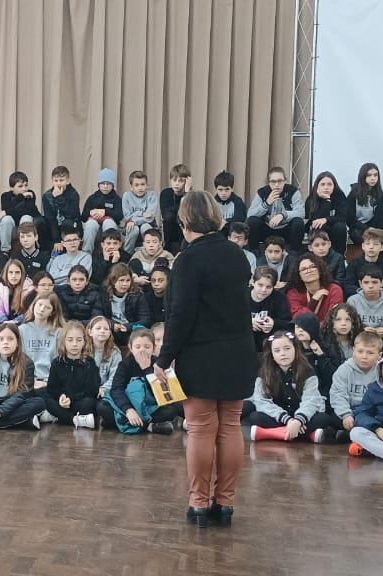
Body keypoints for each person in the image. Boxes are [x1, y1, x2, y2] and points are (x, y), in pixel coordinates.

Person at [150, 189, 256, 529]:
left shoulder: (188, 260)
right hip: (238, 352)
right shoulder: (238, 255)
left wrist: (164, 358)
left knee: (200, 429)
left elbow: (180, 316)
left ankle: (198, 503)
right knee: (230, 427)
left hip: (201, 354)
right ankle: (225, 504)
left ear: (185, 222)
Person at [243, 332, 339, 442]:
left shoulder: (307, 371)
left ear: (295, 349)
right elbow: (262, 401)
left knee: (323, 419)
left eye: (287, 348)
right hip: (279, 416)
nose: (283, 354)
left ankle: (272, 433)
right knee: (255, 417)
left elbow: (310, 400)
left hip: (302, 415)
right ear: (272, 354)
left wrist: (298, 420)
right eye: (277, 351)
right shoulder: (265, 373)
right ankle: (307, 435)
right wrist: (288, 420)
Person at [100, 328, 178, 434]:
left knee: (171, 411)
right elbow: (117, 389)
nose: (142, 350)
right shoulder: (125, 364)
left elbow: (164, 394)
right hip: (129, 404)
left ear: (153, 348)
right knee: (102, 407)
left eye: (147, 347)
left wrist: (147, 370)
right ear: (131, 348)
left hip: (148, 406)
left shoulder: (159, 365)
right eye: (137, 347)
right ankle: (149, 426)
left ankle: (120, 423)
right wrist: (128, 410)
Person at [41, 321, 102, 428]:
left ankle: (57, 416)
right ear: (64, 341)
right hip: (62, 402)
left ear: (84, 342)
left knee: (90, 403)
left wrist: (71, 399)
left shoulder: (89, 363)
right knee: (43, 397)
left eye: (79, 340)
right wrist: (60, 397)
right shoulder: (57, 362)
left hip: (79, 402)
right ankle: (75, 420)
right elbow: (52, 388)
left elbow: (92, 390)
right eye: (70, 340)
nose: (74, 344)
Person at [330, 331, 383, 432]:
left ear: (379, 355)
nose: (364, 356)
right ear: (353, 351)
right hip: (350, 411)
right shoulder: (344, 370)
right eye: (360, 351)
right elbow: (338, 394)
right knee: (334, 419)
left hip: (371, 412)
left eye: (370, 353)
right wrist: (345, 414)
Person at [245, 167, 305, 252]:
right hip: (267, 228)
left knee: (298, 222)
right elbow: (250, 214)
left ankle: (294, 253)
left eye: (280, 181)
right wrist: (266, 203)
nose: (276, 185)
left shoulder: (293, 191)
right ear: (268, 182)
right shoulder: (262, 192)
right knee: (252, 221)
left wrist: (282, 215)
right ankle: (254, 252)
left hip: (286, 228)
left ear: (285, 181)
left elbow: (301, 212)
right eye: (273, 181)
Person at [346, 265, 383, 352]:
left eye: (375, 282)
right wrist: (361, 330)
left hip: (381, 339)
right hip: (360, 337)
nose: (370, 286)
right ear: (360, 284)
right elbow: (348, 327)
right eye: (366, 282)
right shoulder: (352, 301)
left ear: (382, 283)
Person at [287, 253, 344, 325]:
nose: (309, 271)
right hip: (303, 331)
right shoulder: (293, 293)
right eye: (304, 269)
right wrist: (314, 300)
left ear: (320, 270)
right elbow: (298, 319)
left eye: (313, 267)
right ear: (299, 275)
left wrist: (315, 329)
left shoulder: (334, 289)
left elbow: (333, 318)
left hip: (328, 330)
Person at [346, 163, 383, 246]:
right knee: (355, 233)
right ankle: (380, 243)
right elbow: (350, 219)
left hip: (377, 226)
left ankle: (378, 242)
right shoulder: (353, 194)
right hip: (361, 227)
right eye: (369, 175)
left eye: (375, 175)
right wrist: (367, 228)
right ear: (362, 176)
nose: (373, 178)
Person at [0, 171, 47, 253]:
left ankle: (27, 249)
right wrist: (21, 197)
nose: (24, 188)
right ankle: (5, 251)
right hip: (12, 225)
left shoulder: (30, 194)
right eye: (20, 186)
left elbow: (28, 210)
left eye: (26, 185)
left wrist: (7, 211)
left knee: (26, 217)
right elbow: (8, 208)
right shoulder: (5, 196)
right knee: (6, 219)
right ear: (11, 188)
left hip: (28, 222)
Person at [340, 227, 383, 299]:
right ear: (363, 246)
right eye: (367, 244)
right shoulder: (354, 264)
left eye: (376, 244)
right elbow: (348, 285)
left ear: (382, 247)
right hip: (358, 298)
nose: (371, 247)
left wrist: (374, 294)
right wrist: (364, 293)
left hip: (378, 299)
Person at [305, 171, 348, 254]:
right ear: (317, 186)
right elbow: (315, 220)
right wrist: (326, 201)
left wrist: (326, 219)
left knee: (340, 226)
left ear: (334, 186)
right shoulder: (311, 199)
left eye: (329, 184)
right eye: (322, 184)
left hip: (334, 228)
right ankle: (319, 255)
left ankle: (340, 256)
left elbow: (342, 217)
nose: (326, 187)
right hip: (316, 229)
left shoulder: (340, 196)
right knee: (319, 225)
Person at [42, 166, 82, 252]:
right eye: (56, 180)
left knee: (67, 222)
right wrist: (56, 240)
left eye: (61, 180)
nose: (58, 183)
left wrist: (59, 199)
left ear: (68, 181)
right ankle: (44, 251)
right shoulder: (47, 196)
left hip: (70, 226)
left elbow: (72, 216)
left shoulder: (73, 194)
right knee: (40, 221)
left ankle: (67, 248)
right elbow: (50, 218)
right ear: (52, 181)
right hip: (54, 229)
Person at [82, 168, 122, 253]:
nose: (105, 186)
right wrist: (90, 212)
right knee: (90, 224)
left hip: (109, 226)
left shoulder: (116, 199)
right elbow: (83, 217)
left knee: (108, 222)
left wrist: (105, 212)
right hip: (94, 227)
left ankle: (110, 251)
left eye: (108, 184)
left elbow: (120, 215)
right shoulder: (92, 198)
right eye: (103, 183)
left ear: (113, 185)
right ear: (98, 185)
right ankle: (86, 253)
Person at [120, 170, 158, 253]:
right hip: (131, 225)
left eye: (142, 184)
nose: (140, 188)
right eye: (136, 185)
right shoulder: (127, 196)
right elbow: (127, 217)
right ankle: (127, 255)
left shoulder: (152, 195)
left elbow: (149, 218)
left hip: (149, 225)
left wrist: (134, 220)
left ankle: (149, 254)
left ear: (147, 185)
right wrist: (142, 213)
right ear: (131, 187)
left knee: (145, 227)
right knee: (133, 229)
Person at [159, 164, 192, 251]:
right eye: (174, 180)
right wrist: (180, 212)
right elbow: (167, 215)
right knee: (169, 219)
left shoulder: (191, 195)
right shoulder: (166, 193)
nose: (176, 183)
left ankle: (183, 251)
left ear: (186, 182)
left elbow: (189, 215)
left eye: (181, 181)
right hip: (170, 230)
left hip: (185, 230)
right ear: (170, 180)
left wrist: (186, 193)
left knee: (184, 221)